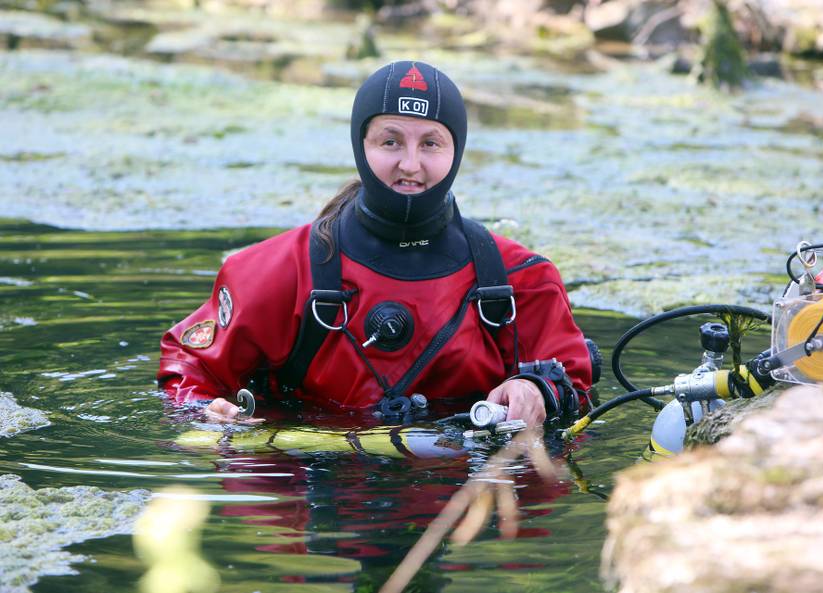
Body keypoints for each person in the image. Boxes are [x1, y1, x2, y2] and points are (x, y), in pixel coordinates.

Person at [158, 60, 593, 426]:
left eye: (430, 143)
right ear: (360, 145)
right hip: (312, 485)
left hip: (469, 492)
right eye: (390, 141)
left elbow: (576, 384)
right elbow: (189, 368)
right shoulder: (277, 273)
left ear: (456, 151)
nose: (410, 164)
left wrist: (537, 390)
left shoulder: (519, 281)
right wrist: (202, 411)